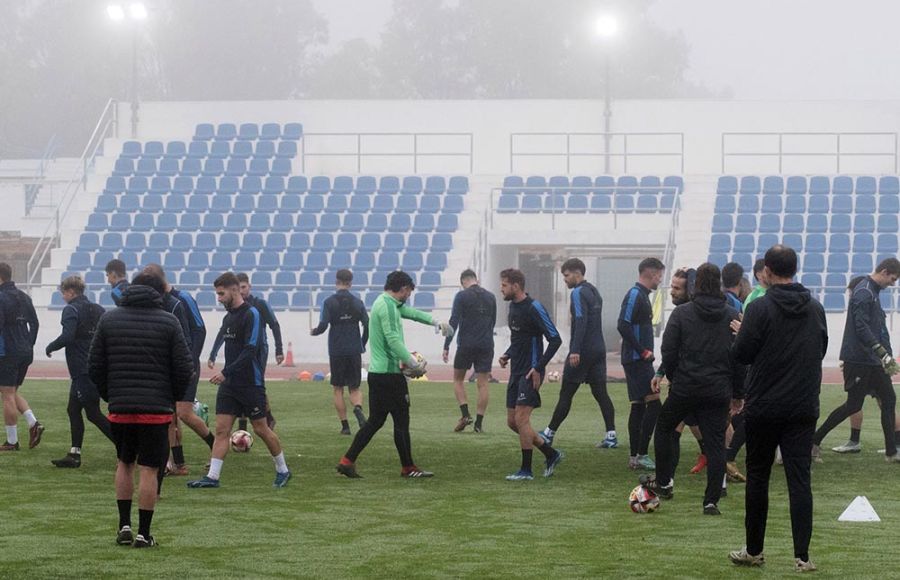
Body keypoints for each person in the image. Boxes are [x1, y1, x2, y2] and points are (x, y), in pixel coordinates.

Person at [728, 245, 827, 573]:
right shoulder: (815, 308)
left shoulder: (759, 308)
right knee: (800, 480)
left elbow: (742, 354)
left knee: (758, 477)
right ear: (795, 269)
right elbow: (820, 348)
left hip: (766, 405)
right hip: (802, 405)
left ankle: (754, 550)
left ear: (766, 271)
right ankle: (803, 556)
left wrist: (743, 333)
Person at [88, 273, 195, 548]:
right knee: (149, 468)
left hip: (120, 407)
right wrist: (169, 397)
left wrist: (110, 395)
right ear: (159, 293)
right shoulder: (169, 321)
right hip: (156, 410)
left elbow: (95, 365)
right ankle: (143, 533)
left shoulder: (109, 319)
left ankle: (123, 525)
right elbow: (185, 369)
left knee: (124, 463)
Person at [336, 270, 453, 479]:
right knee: (401, 420)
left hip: (378, 374)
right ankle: (408, 467)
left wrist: (435, 322)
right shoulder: (388, 306)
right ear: (404, 288)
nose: (408, 296)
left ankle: (347, 460)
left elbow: (412, 313)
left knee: (375, 421)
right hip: (390, 375)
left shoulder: (385, 303)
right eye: (408, 292)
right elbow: (392, 339)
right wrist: (411, 362)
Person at [652, 263, 744, 515]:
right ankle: (711, 500)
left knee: (663, 427)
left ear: (696, 284)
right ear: (720, 284)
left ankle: (663, 480)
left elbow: (669, 350)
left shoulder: (682, 314)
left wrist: (671, 376)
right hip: (717, 388)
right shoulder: (731, 316)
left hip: (685, 386)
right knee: (715, 443)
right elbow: (739, 357)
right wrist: (737, 393)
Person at [188, 273, 291, 489]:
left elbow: (251, 349)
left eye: (221, 293)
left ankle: (283, 470)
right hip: (230, 386)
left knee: (261, 429)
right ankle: (213, 477)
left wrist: (227, 372)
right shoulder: (228, 318)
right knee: (222, 430)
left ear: (234, 290)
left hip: (250, 383)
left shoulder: (252, 314)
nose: (218, 298)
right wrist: (216, 358)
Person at [811, 258, 900, 463]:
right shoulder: (864, 292)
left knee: (888, 399)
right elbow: (861, 327)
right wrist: (880, 351)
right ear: (885, 272)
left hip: (872, 360)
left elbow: (878, 327)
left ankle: (891, 452)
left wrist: (886, 354)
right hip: (860, 360)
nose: (893, 284)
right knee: (853, 405)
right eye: (893, 279)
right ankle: (814, 441)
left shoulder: (873, 292)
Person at [142, 264, 213, 478]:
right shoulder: (157, 303)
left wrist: (189, 361)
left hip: (186, 365)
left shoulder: (183, 299)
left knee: (184, 413)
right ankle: (178, 464)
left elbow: (199, 329)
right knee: (169, 418)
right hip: (167, 367)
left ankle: (217, 446)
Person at [540, 258, 616, 448]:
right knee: (601, 394)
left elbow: (581, 320)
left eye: (566, 276)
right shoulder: (594, 292)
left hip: (583, 350)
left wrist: (575, 350)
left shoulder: (578, 292)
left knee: (566, 393)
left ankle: (549, 433)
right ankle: (611, 435)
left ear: (576, 273)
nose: (565, 280)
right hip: (599, 349)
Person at [498, 268, 564, 481]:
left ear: (516, 285)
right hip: (516, 370)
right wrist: (507, 354)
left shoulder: (534, 307)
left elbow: (555, 339)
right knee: (512, 422)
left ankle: (526, 470)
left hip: (531, 371)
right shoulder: (512, 308)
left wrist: (539, 366)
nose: (502, 288)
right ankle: (551, 453)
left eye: (504, 285)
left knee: (522, 418)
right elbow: (519, 338)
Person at [46, 276, 114, 467]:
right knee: (73, 409)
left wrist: (50, 346)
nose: (63, 297)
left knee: (93, 413)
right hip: (95, 367)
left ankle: (126, 448)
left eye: (63, 293)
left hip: (81, 369)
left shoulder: (71, 309)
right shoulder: (98, 309)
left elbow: (68, 336)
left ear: (71, 292)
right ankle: (74, 454)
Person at [208, 272, 282, 431]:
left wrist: (279, 349)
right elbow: (223, 332)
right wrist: (213, 353)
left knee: (255, 384)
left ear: (249, 286)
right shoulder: (232, 310)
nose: (241, 291)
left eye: (244, 287)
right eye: (239, 287)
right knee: (238, 382)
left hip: (258, 350)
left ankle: (265, 416)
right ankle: (243, 428)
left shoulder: (259, 305)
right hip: (240, 350)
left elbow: (274, 325)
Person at [651, 268, 706, 473]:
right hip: (695, 381)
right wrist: (661, 373)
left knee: (674, 426)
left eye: (676, 288)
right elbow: (673, 349)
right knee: (685, 424)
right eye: (671, 286)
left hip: (691, 382)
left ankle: (665, 478)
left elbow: (674, 350)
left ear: (689, 289)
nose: (672, 291)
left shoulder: (690, 314)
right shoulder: (684, 313)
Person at [617, 257, 665, 470]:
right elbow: (622, 325)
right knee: (654, 403)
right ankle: (642, 453)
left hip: (638, 359)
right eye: (659, 275)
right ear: (651, 273)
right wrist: (642, 350)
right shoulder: (635, 294)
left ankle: (635, 457)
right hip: (637, 360)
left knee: (638, 406)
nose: (660, 279)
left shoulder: (643, 296)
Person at [310, 269, 369, 435]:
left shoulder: (329, 302)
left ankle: (345, 426)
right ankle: (357, 408)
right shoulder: (358, 303)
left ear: (336, 282)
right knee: (354, 387)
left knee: (337, 389)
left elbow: (323, 326)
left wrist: (314, 331)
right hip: (353, 349)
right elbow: (367, 324)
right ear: (351, 283)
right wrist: (361, 343)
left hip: (336, 350)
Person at [442, 269, 496, 433]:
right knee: (483, 383)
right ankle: (479, 424)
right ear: (476, 279)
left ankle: (465, 415)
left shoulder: (462, 296)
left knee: (458, 379)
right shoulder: (491, 297)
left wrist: (446, 345)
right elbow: (492, 321)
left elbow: (454, 322)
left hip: (466, 344)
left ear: (463, 281)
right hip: (486, 344)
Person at [0, 262, 43, 452]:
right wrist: (29, 344)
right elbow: (35, 323)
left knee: (7, 395)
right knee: (11, 391)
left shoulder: (1, 298)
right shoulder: (24, 297)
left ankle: (11, 441)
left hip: (8, 351)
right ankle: (33, 423)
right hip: (25, 351)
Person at [832, 275, 874, 454]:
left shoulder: (861, 305)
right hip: (868, 360)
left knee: (854, 401)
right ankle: (895, 444)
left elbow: (862, 334)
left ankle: (851, 440)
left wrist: (852, 360)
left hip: (862, 361)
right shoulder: (871, 305)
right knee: (885, 401)